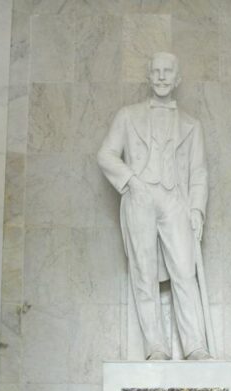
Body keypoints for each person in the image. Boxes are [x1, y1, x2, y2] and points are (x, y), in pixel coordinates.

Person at [97, 52, 211, 360]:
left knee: (185, 273)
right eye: (156, 71)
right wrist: (131, 181)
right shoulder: (128, 115)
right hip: (140, 196)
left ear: (178, 79)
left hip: (176, 200)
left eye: (167, 72)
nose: (161, 77)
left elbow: (199, 170)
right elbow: (106, 155)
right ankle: (156, 347)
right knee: (144, 273)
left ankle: (195, 346)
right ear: (149, 77)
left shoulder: (191, 124)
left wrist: (197, 209)